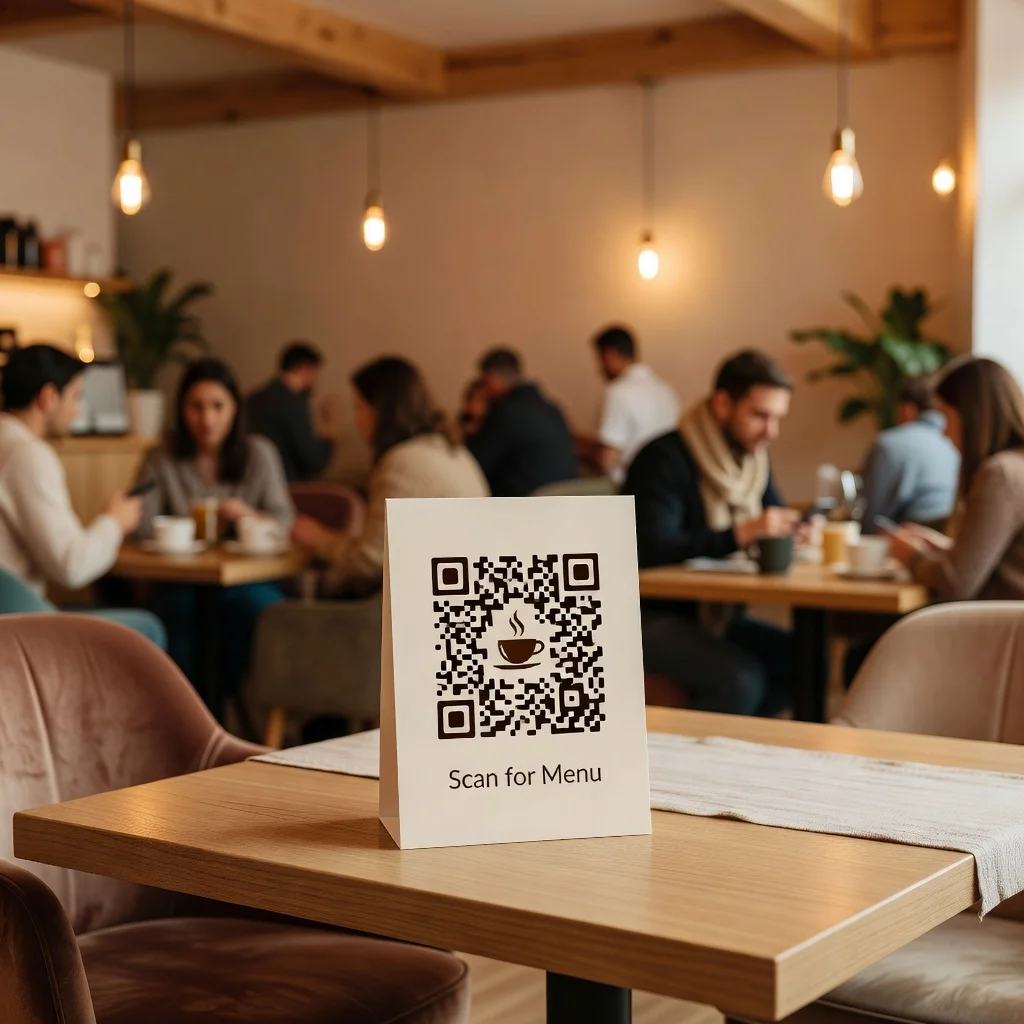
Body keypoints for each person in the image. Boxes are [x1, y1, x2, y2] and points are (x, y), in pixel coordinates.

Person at [623, 349, 800, 716]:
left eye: (777, 418)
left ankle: (751, 758)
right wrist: (740, 534)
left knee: (799, 661)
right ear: (722, 404)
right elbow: (651, 547)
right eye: (760, 416)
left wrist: (797, 530)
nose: (772, 432)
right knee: (740, 679)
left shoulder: (750, 463)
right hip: (644, 615)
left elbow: (773, 516)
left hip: (713, 614)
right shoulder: (663, 458)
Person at [135, 358, 295, 696]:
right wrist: (185, 528)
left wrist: (247, 516)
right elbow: (143, 525)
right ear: (181, 409)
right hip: (181, 580)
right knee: (177, 612)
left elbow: (285, 522)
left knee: (261, 609)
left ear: (235, 409)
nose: (207, 419)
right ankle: (185, 711)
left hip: (247, 578)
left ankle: (227, 707)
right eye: (196, 407)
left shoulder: (259, 455)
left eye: (217, 406)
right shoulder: (161, 458)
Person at [0, 344, 165, 646]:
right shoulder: (28, 455)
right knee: (148, 629)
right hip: (17, 625)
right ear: (48, 397)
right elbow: (72, 566)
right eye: (75, 397)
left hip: (11, 613)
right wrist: (115, 521)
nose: (77, 410)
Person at [293, 356, 489, 595]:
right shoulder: (451, 450)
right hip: (468, 596)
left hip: (425, 607)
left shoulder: (402, 463)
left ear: (380, 410)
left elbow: (370, 563)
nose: (356, 420)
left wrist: (319, 540)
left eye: (359, 408)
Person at [887, 357, 1024, 601]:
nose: (943, 431)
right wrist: (945, 548)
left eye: (947, 417)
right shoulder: (1016, 465)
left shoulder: (1000, 475)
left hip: (1000, 633)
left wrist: (909, 554)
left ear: (973, 417)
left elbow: (956, 584)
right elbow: (1005, 562)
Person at [465, 348, 578, 496]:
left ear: (491, 380)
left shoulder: (506, 412)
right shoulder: (551, 407)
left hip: (525, 505)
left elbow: (473, 463)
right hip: (565, 498)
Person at [860, 376, 959, 533]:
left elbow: (870, 518)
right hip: (948, 539)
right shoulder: (956, 444)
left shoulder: (888, 444)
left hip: (903, 545)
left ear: (907, 410)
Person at [592, 325, 680, 484]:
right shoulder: (666, 390)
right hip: (666, 483)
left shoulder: (618, 392)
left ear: (610, 354)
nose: (599, 369)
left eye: (601, 360)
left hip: (628, 489)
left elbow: (607, 461)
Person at [246, 341, 339, 482]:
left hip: (251, 483)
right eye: (315, 374)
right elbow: (313, 461)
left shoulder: (252, 399)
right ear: (305, 370)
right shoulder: (293, 404)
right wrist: (330, 432)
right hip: (287, 489)